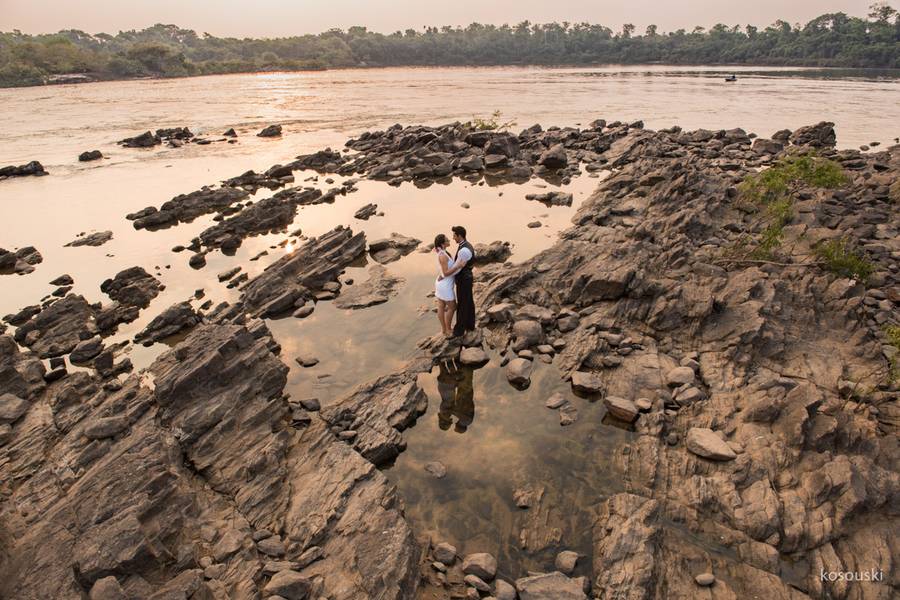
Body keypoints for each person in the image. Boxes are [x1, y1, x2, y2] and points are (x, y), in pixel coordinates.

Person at [447, 225, 476, 337]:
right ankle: (470, 325)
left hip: (464, 280)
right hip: (467, 278)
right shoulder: (467, 245)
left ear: (459, 236)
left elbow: (457, 268)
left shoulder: (463, 250)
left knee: (462, 304)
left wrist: (446, 276)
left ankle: (459, 331)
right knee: (468, 302)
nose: (453, 238)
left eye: (454, 235)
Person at [433, 233, 457, 336]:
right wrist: (458, 266)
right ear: (442, 244)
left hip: (441, 283)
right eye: (447, 240)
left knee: (441, 306)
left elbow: (443, 271)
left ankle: (444, 330)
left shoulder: (443, 252)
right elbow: (446, 273)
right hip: (445, 286)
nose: (449, 241)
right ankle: (448, 329)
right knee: (452, 307)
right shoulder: (442, 256)